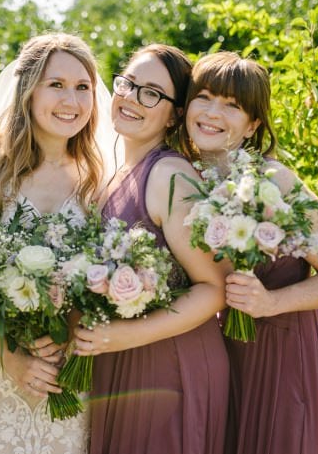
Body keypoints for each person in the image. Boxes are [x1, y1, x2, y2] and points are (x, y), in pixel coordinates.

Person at [181, 51, 318, 454]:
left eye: (232, 105)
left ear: (253, 124)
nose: (212, 112)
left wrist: (270, 301)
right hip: (219, 359)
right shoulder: (183, 178)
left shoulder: (277, 180)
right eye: (204, 96)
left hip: (284, 359)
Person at [0, 32, 106, 453]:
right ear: (27, 91)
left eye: (82, 87)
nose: (71, 101)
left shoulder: (96, 176)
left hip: (65, 366)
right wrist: (11, 357)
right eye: (56, 84)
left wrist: (68, 337)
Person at [69, 43, 231, 453]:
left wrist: (126, 335)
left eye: (152, 94)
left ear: (176, 113)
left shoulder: (170, 176)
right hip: (123, 358)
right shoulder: (112, 171)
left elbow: (214, 287)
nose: (131, 99)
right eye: (128, 84)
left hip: (169, 365)